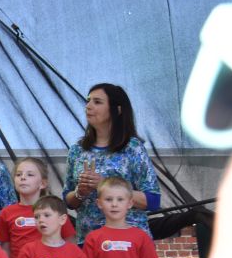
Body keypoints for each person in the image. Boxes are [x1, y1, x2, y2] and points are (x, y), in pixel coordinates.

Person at [63, 83, 160, 242]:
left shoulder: (132, 148)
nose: (88, 106)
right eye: (88, 101)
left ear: (117, 110)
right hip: (88, 241)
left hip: (128, 242)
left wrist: (105, 185)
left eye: (97, 102)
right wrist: (80, 192)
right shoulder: (77, 150)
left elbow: (153, 200)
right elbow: (68, 200)